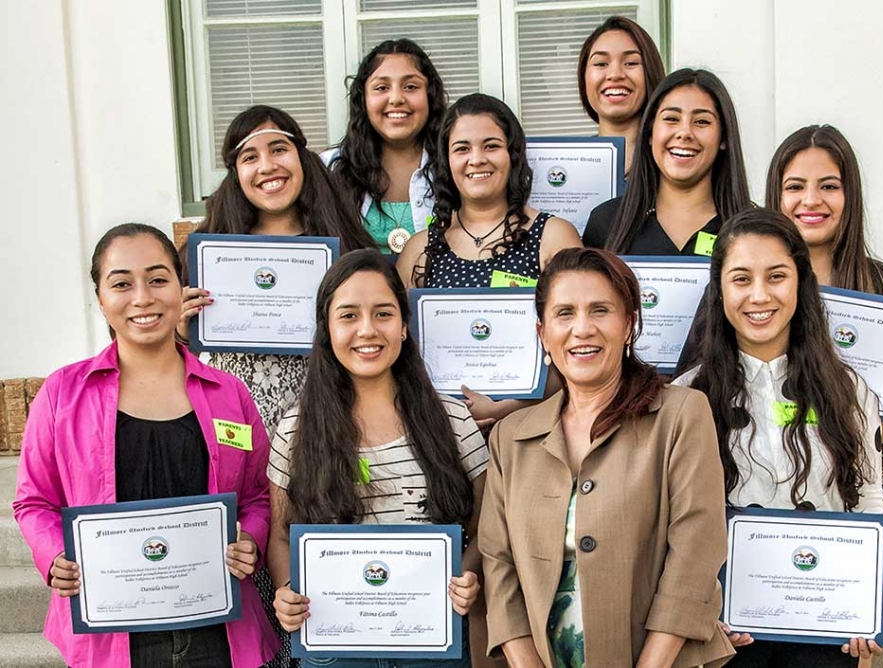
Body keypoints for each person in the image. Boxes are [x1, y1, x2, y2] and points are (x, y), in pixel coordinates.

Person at [13, 224, 277, 668]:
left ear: (180, 286)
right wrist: (56, 554)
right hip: (111, 632)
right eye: (121, 283)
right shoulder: (63, 393)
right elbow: (34, 501)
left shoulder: (229, 393)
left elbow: (257, 494)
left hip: (218, 629)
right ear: (100, 298)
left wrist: (250, 536)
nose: (142, 297)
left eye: (158, 279)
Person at [178, 105, 378, 667]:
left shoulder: (341, 244)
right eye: (248, 156)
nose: (267, 166)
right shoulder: (205, 253)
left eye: (278, 149)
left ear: (303, 157)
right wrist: (176, 326)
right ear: (233, 173)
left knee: (313, 599)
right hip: (238, 447)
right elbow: (155, 355)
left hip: (324, 444)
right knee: (256, 615)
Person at [478, 247, 734, 668]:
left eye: (601, 310)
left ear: (629, 322)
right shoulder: (511, 436)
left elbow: (696, 550)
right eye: (564, 313)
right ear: (542, 332)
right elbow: (498, 563)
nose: (582, 329)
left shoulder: (681, 414)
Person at [673, 209, 883, 666]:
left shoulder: (849, 390)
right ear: (719, 290)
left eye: (776, 276)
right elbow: (671, 523)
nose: (759, 296)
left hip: (826, 628)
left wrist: (871, 607)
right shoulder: (685, 397)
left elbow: (870, 500)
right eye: (740, 279)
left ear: (800, 282)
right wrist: (700, 605)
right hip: (726, 632)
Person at [267, 249, 489, 667]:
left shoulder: (453, 419)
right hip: (332, 643)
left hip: (434, 638)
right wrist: (286, 589)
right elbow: (280, 534)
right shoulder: (297, 428)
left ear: (405, 327)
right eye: (348, 315)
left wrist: (467, 572)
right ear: (327, 329)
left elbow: (486, 524)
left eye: (383, 314)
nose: (367, 330)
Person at [766, 124, 883, 622]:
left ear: (850, 194)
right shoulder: (757, 287)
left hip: (860, 483)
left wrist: (882, 431)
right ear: (775, 195)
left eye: (829, 185)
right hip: (763, 481)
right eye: (795, 186)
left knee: (852, 633)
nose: (812, 200)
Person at [397, 93, 581, 289]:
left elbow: (578, 313)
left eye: (491, 146)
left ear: (513, 154)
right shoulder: (420, 249)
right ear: (447, 161)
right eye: (462, 149)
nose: (476, 160)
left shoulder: (553, 236)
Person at [582, 68, 750, 255]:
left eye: (701, 121)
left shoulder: (753, 229)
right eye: (671, 119)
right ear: (650, 132)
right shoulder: (607, 221)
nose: (685, 133)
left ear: (723, 138)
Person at [325, 39, 448, 254]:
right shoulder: (329, 169)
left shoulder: (458, 166)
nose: (396, 99)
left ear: (430, 96)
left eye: (411, 87)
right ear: (363, 99)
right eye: (381, 88)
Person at [577, 16, 665, 176]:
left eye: (630, 63)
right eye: (601, 64)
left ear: (650, 72)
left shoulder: (673, 161)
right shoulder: (571, 165)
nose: (615, 74)